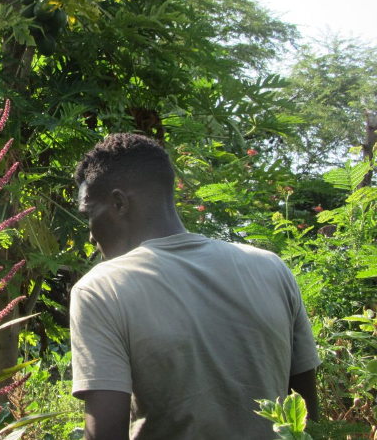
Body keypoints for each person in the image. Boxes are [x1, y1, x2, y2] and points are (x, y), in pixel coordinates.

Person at [69, 133, 320, 440]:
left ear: (119, 203)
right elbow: (306, 416)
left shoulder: (100, 289)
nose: (91, 236)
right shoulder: (271, 268)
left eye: (89, 215)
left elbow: (105, 435)